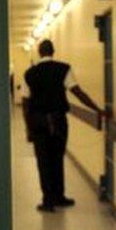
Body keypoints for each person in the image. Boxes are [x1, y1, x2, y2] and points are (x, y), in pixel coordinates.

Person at [24, 39, 105, 212]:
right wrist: (97, 109)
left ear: (39, 53)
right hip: (59, 121)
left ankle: (48, 201)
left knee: (43, 161)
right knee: (57, 158)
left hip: (38, 122)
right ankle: (59, 196)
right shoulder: (63, 69)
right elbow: (77, 92)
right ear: (53, 51)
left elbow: (26, 103)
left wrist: (28, 128)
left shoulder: (29, 74)